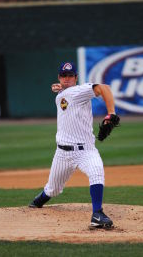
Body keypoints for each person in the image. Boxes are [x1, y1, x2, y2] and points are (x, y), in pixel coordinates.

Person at [29, 61, 119, 230]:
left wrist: (111, 113)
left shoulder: (80, 91)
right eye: (64, 75)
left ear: (76, 77)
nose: (67, 78)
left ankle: (97, 214)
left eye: (70, 75)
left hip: (86, 150)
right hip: (62, 153)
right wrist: (62, 89)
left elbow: (104, 88)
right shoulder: (62, 94)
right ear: (59, 77)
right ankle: (37, 202)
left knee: (96, 172)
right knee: (53, 190)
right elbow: (67, 97)